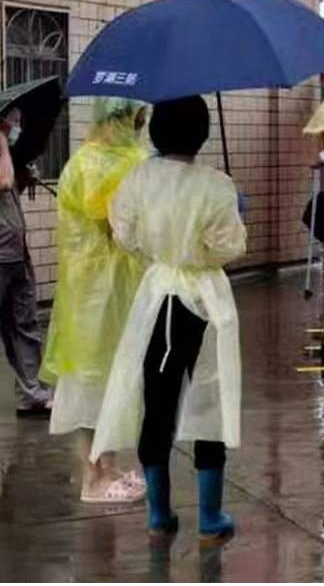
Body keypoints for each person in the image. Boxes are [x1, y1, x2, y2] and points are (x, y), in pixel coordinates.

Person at [89, 96, 247, 539]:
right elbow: (229, 248)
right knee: (211, 397)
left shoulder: (139, 178)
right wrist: (236, 215)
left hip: (158, 296)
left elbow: (125, 233)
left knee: (157, 399)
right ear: (202, 132)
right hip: (205, 301)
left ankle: (159, 512)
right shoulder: (217, 184)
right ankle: (211, 516)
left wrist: (161, 250)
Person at [41, 98, 149, 504]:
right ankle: (92, 477)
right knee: (91, 384)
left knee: (111, 381)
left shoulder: (100, 160)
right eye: (137, 121)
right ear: (119, 120)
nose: (140, 130)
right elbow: (114, 222)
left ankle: (108, 467)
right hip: (96, 292)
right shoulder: (95, 165)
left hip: (108, 288)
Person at [0, 105, 51, 415]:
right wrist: (2, 144)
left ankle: (33, 393)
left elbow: (10, 187)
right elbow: (3, 181)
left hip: (16, 252)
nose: (16, 124)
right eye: (12, 119)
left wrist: (24, 175)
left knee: (24, 322)